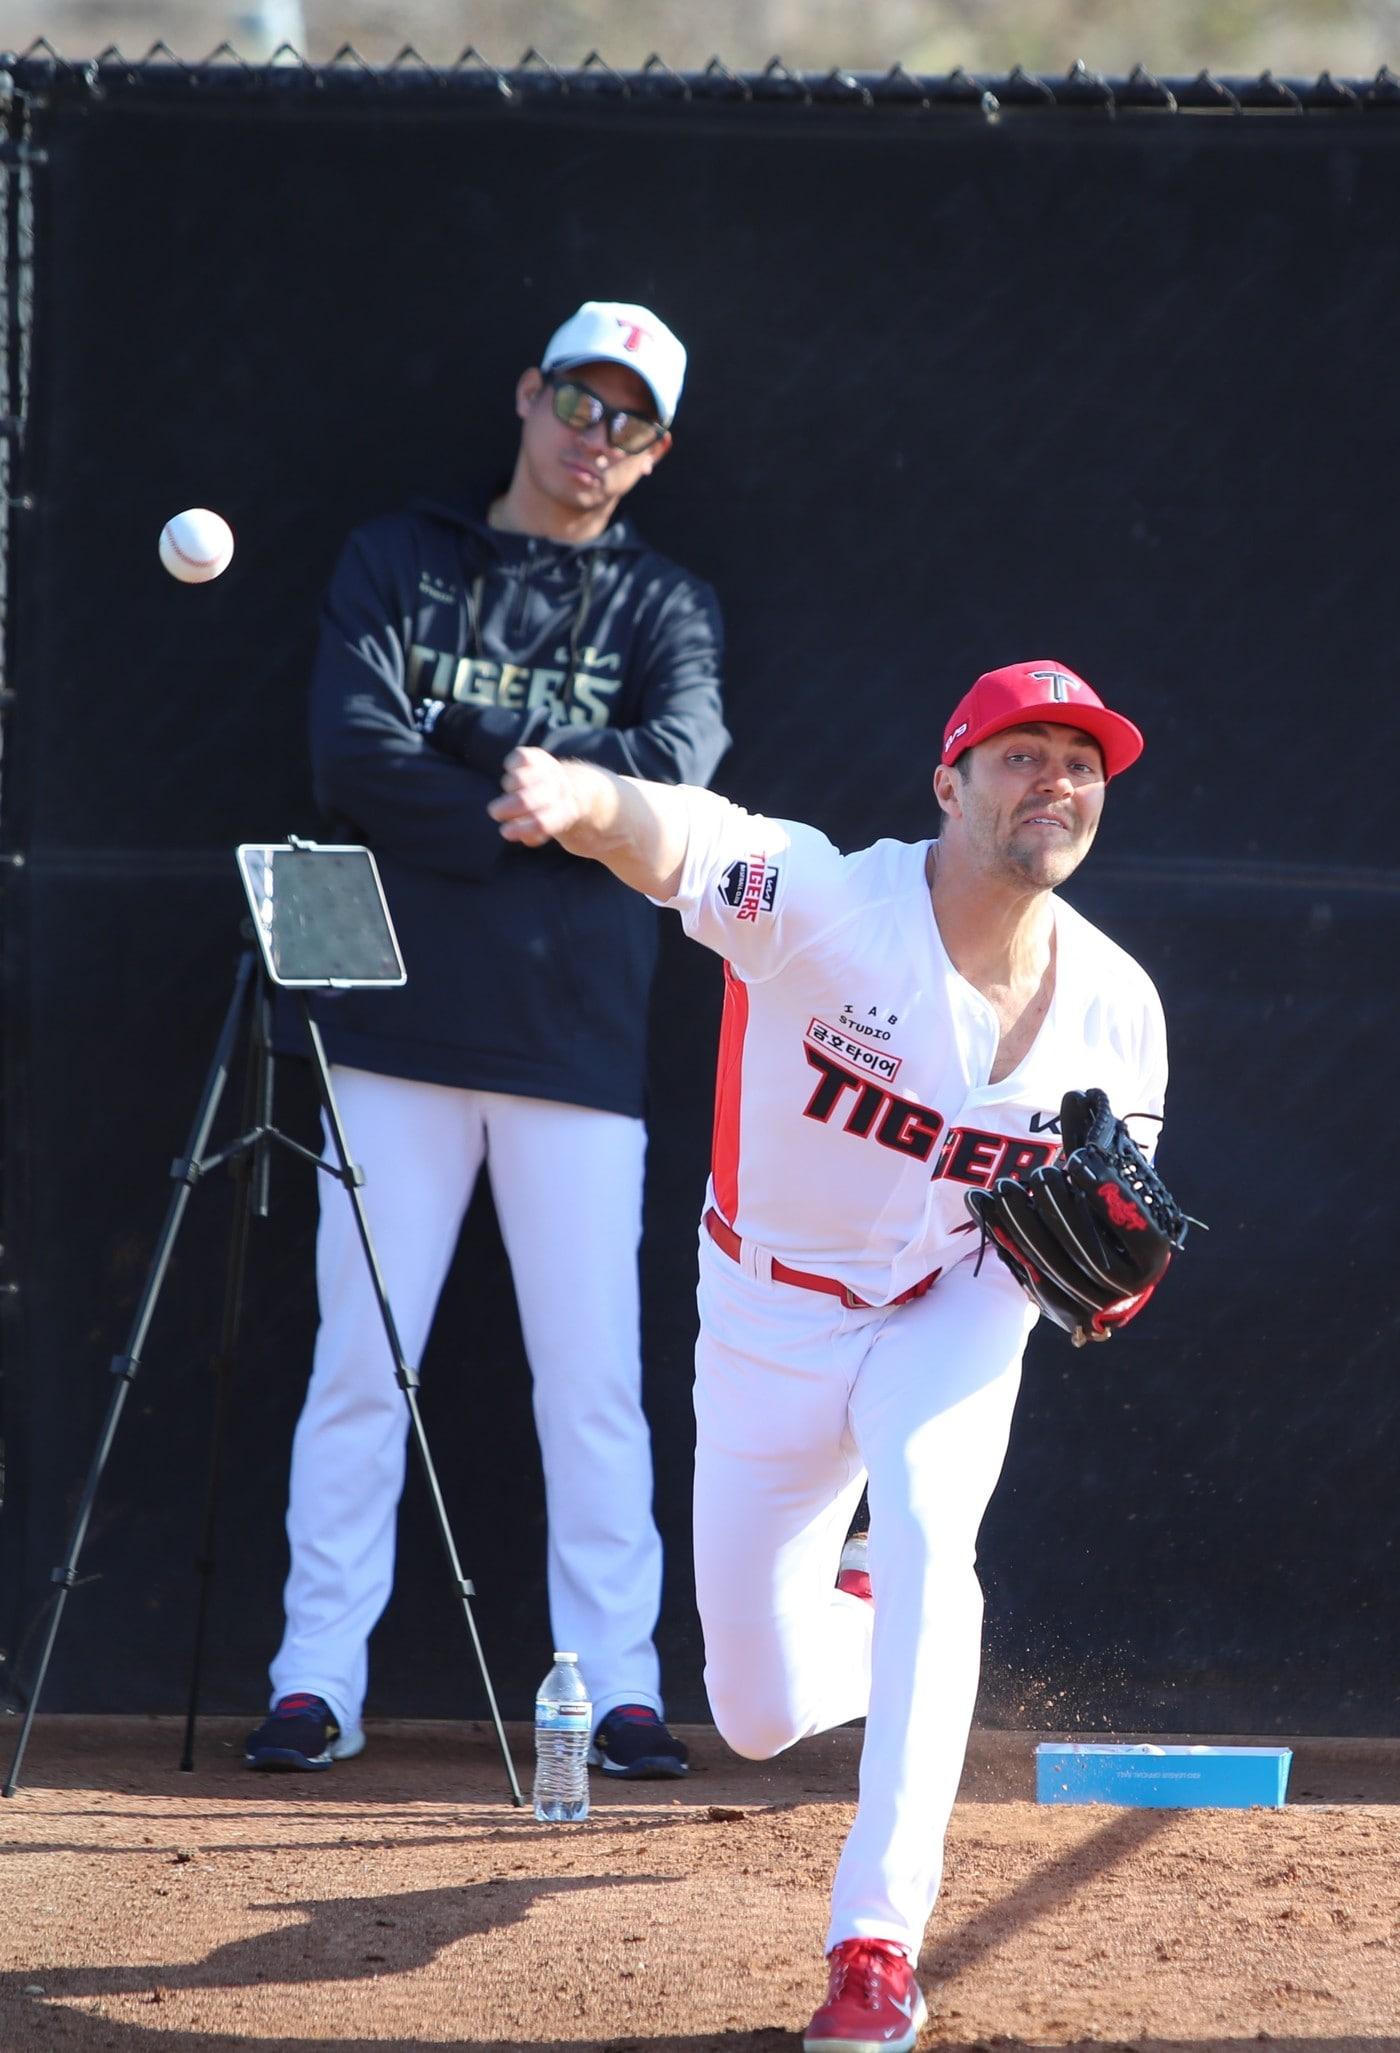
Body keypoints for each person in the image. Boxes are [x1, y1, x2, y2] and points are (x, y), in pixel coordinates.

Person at [484, 660, 1167, 2051]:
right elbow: (677, 838)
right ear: (948, 782)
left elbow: (1121, 1229)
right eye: (1024, 754)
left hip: (956, 1299)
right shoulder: (829, 900)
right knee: (755, 1711)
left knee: (933, 1529)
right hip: (768, 1311)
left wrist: (1115, 1268)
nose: (1059, 781)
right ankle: (852, 1601)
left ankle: (875, 1943)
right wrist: (583, 797)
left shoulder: (1119, 1004)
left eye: (1084, 762)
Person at [244, 300, 728, 1781]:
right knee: (356, 1363)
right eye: (581, 404)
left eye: (630, 423)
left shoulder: (669, 609)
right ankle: (315, 1681)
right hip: (384, 1022)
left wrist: (575, 793)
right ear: (529, 396)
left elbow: (685, 768)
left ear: (654, 454)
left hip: (578, 1044)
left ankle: (621, 1687)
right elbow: (348, 753)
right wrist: (539, 813)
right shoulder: (399, 554)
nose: (597, 440)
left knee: (590, 1378)